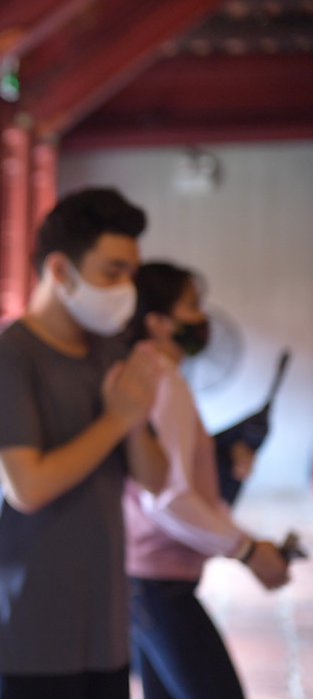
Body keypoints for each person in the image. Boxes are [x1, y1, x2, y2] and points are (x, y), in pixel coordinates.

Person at [0, 187, 168, 699]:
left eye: (130, 273)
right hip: (25, 625)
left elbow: (156, 478)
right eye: (112, 271)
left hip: (103, 623)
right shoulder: (4, 356)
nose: (126, 288)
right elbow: (27, 487)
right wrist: (117, 419)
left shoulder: (110, 351)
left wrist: (134, 419)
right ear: (59, 270)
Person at [123, 261, 291, 699]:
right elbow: (167, 496)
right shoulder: (163, 383)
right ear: (158, 322)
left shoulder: (151, 375)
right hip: (156, 583)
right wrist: (246, 549)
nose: (202, 318)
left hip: (146, 579)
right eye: (192, 306)